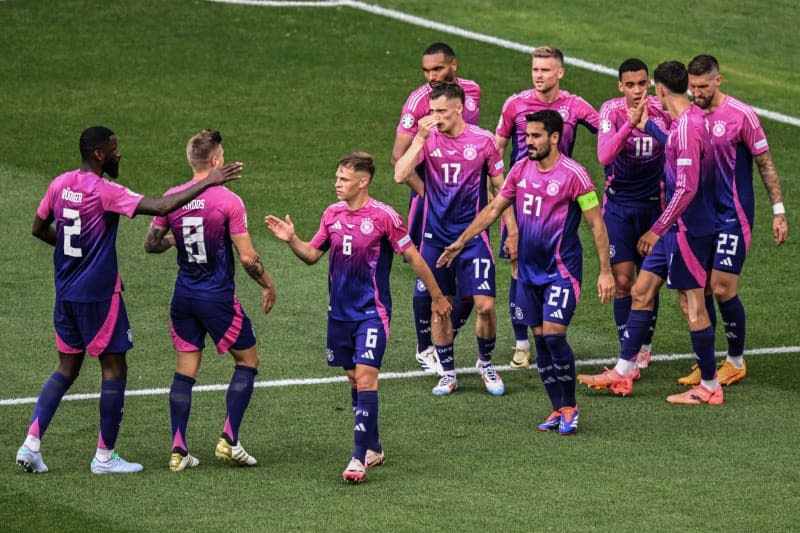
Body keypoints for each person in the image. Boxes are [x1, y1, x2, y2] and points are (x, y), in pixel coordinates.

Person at [16, 126, 243, 474]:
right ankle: (104, 457)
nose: (119, 154)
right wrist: (209, 181)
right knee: (114, 369)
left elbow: (38, 228)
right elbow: (163, 205)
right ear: (98, 155)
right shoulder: (105, 191)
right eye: (114, 149)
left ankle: (31, 444)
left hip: (65, 294)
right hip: (99, 296)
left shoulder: (59, 184)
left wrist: (72, 254)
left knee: (67, 367)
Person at [265, 152, 451, 484]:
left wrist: (436, 296)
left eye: (344, 179)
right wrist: (292, 239)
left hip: (372, 313)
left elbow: (414, 257)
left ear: (363, 182)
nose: (337, 184)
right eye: (337, 177)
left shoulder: (385, 217)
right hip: (339, 315)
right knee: (353, 379)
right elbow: (311, 255)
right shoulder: (332, 214)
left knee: (366, 379)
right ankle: (374, 447)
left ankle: (358, 458)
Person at [439, 109, 614, 434]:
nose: (528, 141)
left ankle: (571, 407)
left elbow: (596, 225)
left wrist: (605, 271)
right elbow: (494, 209)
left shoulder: (575, 175)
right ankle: (556, 407)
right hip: (528, 275)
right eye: (526, 136)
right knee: (541, 341)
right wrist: (461, 241)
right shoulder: (520, 170)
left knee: (555, 335)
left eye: (535, 136)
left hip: (561, 271)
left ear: (555, 138)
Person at [577, 61, 722, 405]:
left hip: (685, 228)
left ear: (657, 89)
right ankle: (624, 369)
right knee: (640, 290)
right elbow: (671, 143)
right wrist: (642, 127)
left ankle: (710, 386)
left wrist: (657, 229)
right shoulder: (684, 124)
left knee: (692, 304)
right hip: (672, 226)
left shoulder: (688, 126)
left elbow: (686, 188)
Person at [143, 130, 276, 472]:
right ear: (216, 161)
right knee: (247, 360)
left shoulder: (172, 198)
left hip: (183, 297)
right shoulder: (228, 200)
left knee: (184, 371)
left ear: (192, 161)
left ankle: (178, 450)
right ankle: (229, 440)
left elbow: (151, 244)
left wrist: (177, 238)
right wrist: (267, 284)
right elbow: (247, 258)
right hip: (216, 298)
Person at [675, 54, 789, 386]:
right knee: (699, 288)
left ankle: (736, 360)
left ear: (718, 81)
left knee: (721, 287)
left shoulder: (741, 116)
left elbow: (765, 164)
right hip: (698, 218)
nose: (696, 92)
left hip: (732, 217)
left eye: (702, 86)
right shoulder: (689, 115)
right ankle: (706, 363)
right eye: (692, 87)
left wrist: (778, 211)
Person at [394, 82, 510, 397]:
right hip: (434, 237)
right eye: (431, 111)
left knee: (485, 305)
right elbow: (400, 174)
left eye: (441, 111)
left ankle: (485, 363)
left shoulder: (484, 141)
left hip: (473, 237)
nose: (435, 117)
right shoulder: (427, 140)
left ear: (459, 108)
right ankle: (447, 373)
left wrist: (510, 229)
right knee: (439, 308)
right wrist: (419, 138)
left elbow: (502, 189)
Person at [495, 45, 599, 370]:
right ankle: (522, 344)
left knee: (554, 262)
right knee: (517, 267)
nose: (539, 75)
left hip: (558, 202)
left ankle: (545, 338)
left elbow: (607, 132)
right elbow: (495, 152)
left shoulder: (576, 106)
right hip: (520, 200)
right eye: (535, 69)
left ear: (560, 73)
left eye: (545, 70)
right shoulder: (515, 104)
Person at [391, 42, 480, 376]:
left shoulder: (472, 92)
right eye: (426, 71)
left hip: (467, 202)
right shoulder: (418, 102)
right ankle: (425, 347)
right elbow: (397, 158)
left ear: (453, 66)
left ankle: (446, 337)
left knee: (469, 284)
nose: (430, 77)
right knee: (428, 275)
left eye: (437, 70)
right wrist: (430, 194)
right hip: (429, 203)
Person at [597, 58, 671, 369]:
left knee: (648, 282)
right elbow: (604, 154)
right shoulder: (611, 111)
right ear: (620, 86)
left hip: (654, 206)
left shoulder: (663, 112)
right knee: (624, 281)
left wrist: (649, 124)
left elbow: (680, 147)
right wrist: (630, 124)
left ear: (649, 83)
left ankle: (644, 346)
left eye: (642, 83)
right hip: (618, 207)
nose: (638, 90)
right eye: (630, 85)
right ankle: (627, 348)